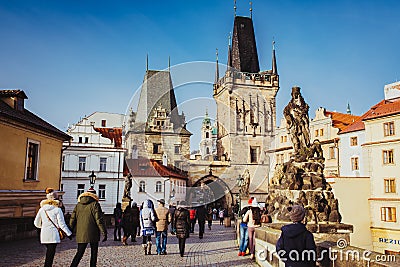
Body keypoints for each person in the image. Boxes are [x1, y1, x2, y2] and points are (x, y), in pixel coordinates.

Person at [69, 188, 107, 267]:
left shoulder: (78, 205)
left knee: (79, 252)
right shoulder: (95, 204)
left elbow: (72, 219)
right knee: (93, 253)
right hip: (93, 232)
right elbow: (99, 220)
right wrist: (104, 232)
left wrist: (70, 230)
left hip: (81, 232)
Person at [34, 191, 72, 267]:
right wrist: (69, 234)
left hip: (44, 234)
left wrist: (44, 227)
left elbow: (36, 223)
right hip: (53, 235)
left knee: (48, 252)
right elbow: (62, 224)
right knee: (50, 254)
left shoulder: (42, 209)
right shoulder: (57, 209)